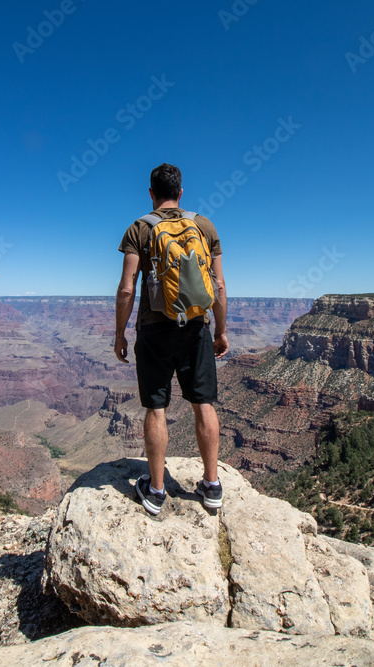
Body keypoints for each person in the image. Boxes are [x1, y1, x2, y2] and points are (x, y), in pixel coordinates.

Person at [114, 163, 229, 515]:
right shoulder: (204, 226)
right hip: (196, 327)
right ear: (181, 192)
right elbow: (220, 286)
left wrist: (119, 332)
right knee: (203, 403)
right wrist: (221, 331)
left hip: (154, 329)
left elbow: (127, 288)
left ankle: (156, 491)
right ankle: (211, 486)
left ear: (150, 193)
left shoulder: (140, 228)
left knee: (156, 408)